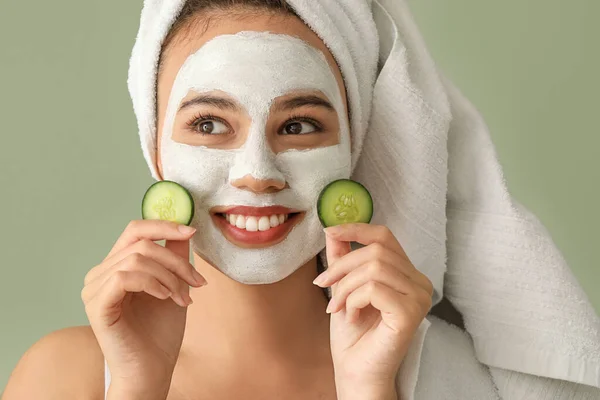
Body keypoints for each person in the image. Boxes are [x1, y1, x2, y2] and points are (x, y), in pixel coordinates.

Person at [3, 1, 434, 399]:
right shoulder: (62, 377)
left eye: (299, 125)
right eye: (208, 124)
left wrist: (369, 388)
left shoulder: (445, 374)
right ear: (156, 151)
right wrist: (137, 385)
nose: (258, 174)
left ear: (352, 149)